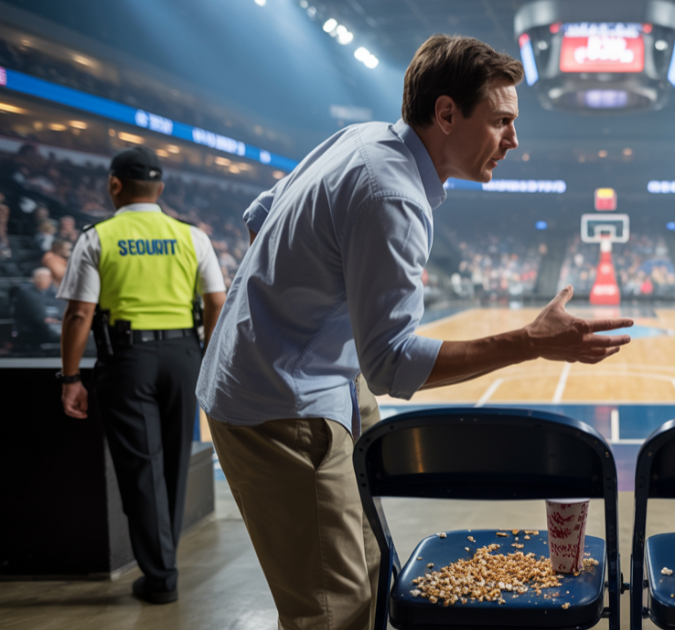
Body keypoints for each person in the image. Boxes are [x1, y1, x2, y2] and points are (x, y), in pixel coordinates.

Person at [196, 35, 633, 630]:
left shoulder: (361, 138)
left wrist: (300, 319)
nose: (513, 139)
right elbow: (392, 366)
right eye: (501, 121)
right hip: (282, 404)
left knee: (369, 570)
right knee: (331, 608)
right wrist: (530, 341)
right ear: (446, 113)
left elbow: (261, 218)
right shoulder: (392, 195)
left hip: (290, 377)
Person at [57, 147, 227, 604]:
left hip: (127, 360)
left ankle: (160, 577)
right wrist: (204, 355)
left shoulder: (98, 237)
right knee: (174, 462)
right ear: (160, 189)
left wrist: (70, 378)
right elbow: (217, 301)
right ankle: (163, 563)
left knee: (141, 469)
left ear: (114, 185)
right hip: (183, 356)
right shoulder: (192, 236)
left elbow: (79, 314)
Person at [10, 267, 64, 348]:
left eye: (48, 278)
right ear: (34, 279)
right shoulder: (27, 292)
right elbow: (40, 319)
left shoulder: (46, 292)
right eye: (41, 277)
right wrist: (54, 321)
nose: (45, 280)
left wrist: (55, 320)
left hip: (44, 327)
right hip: (31, 331)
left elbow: (59, 311)